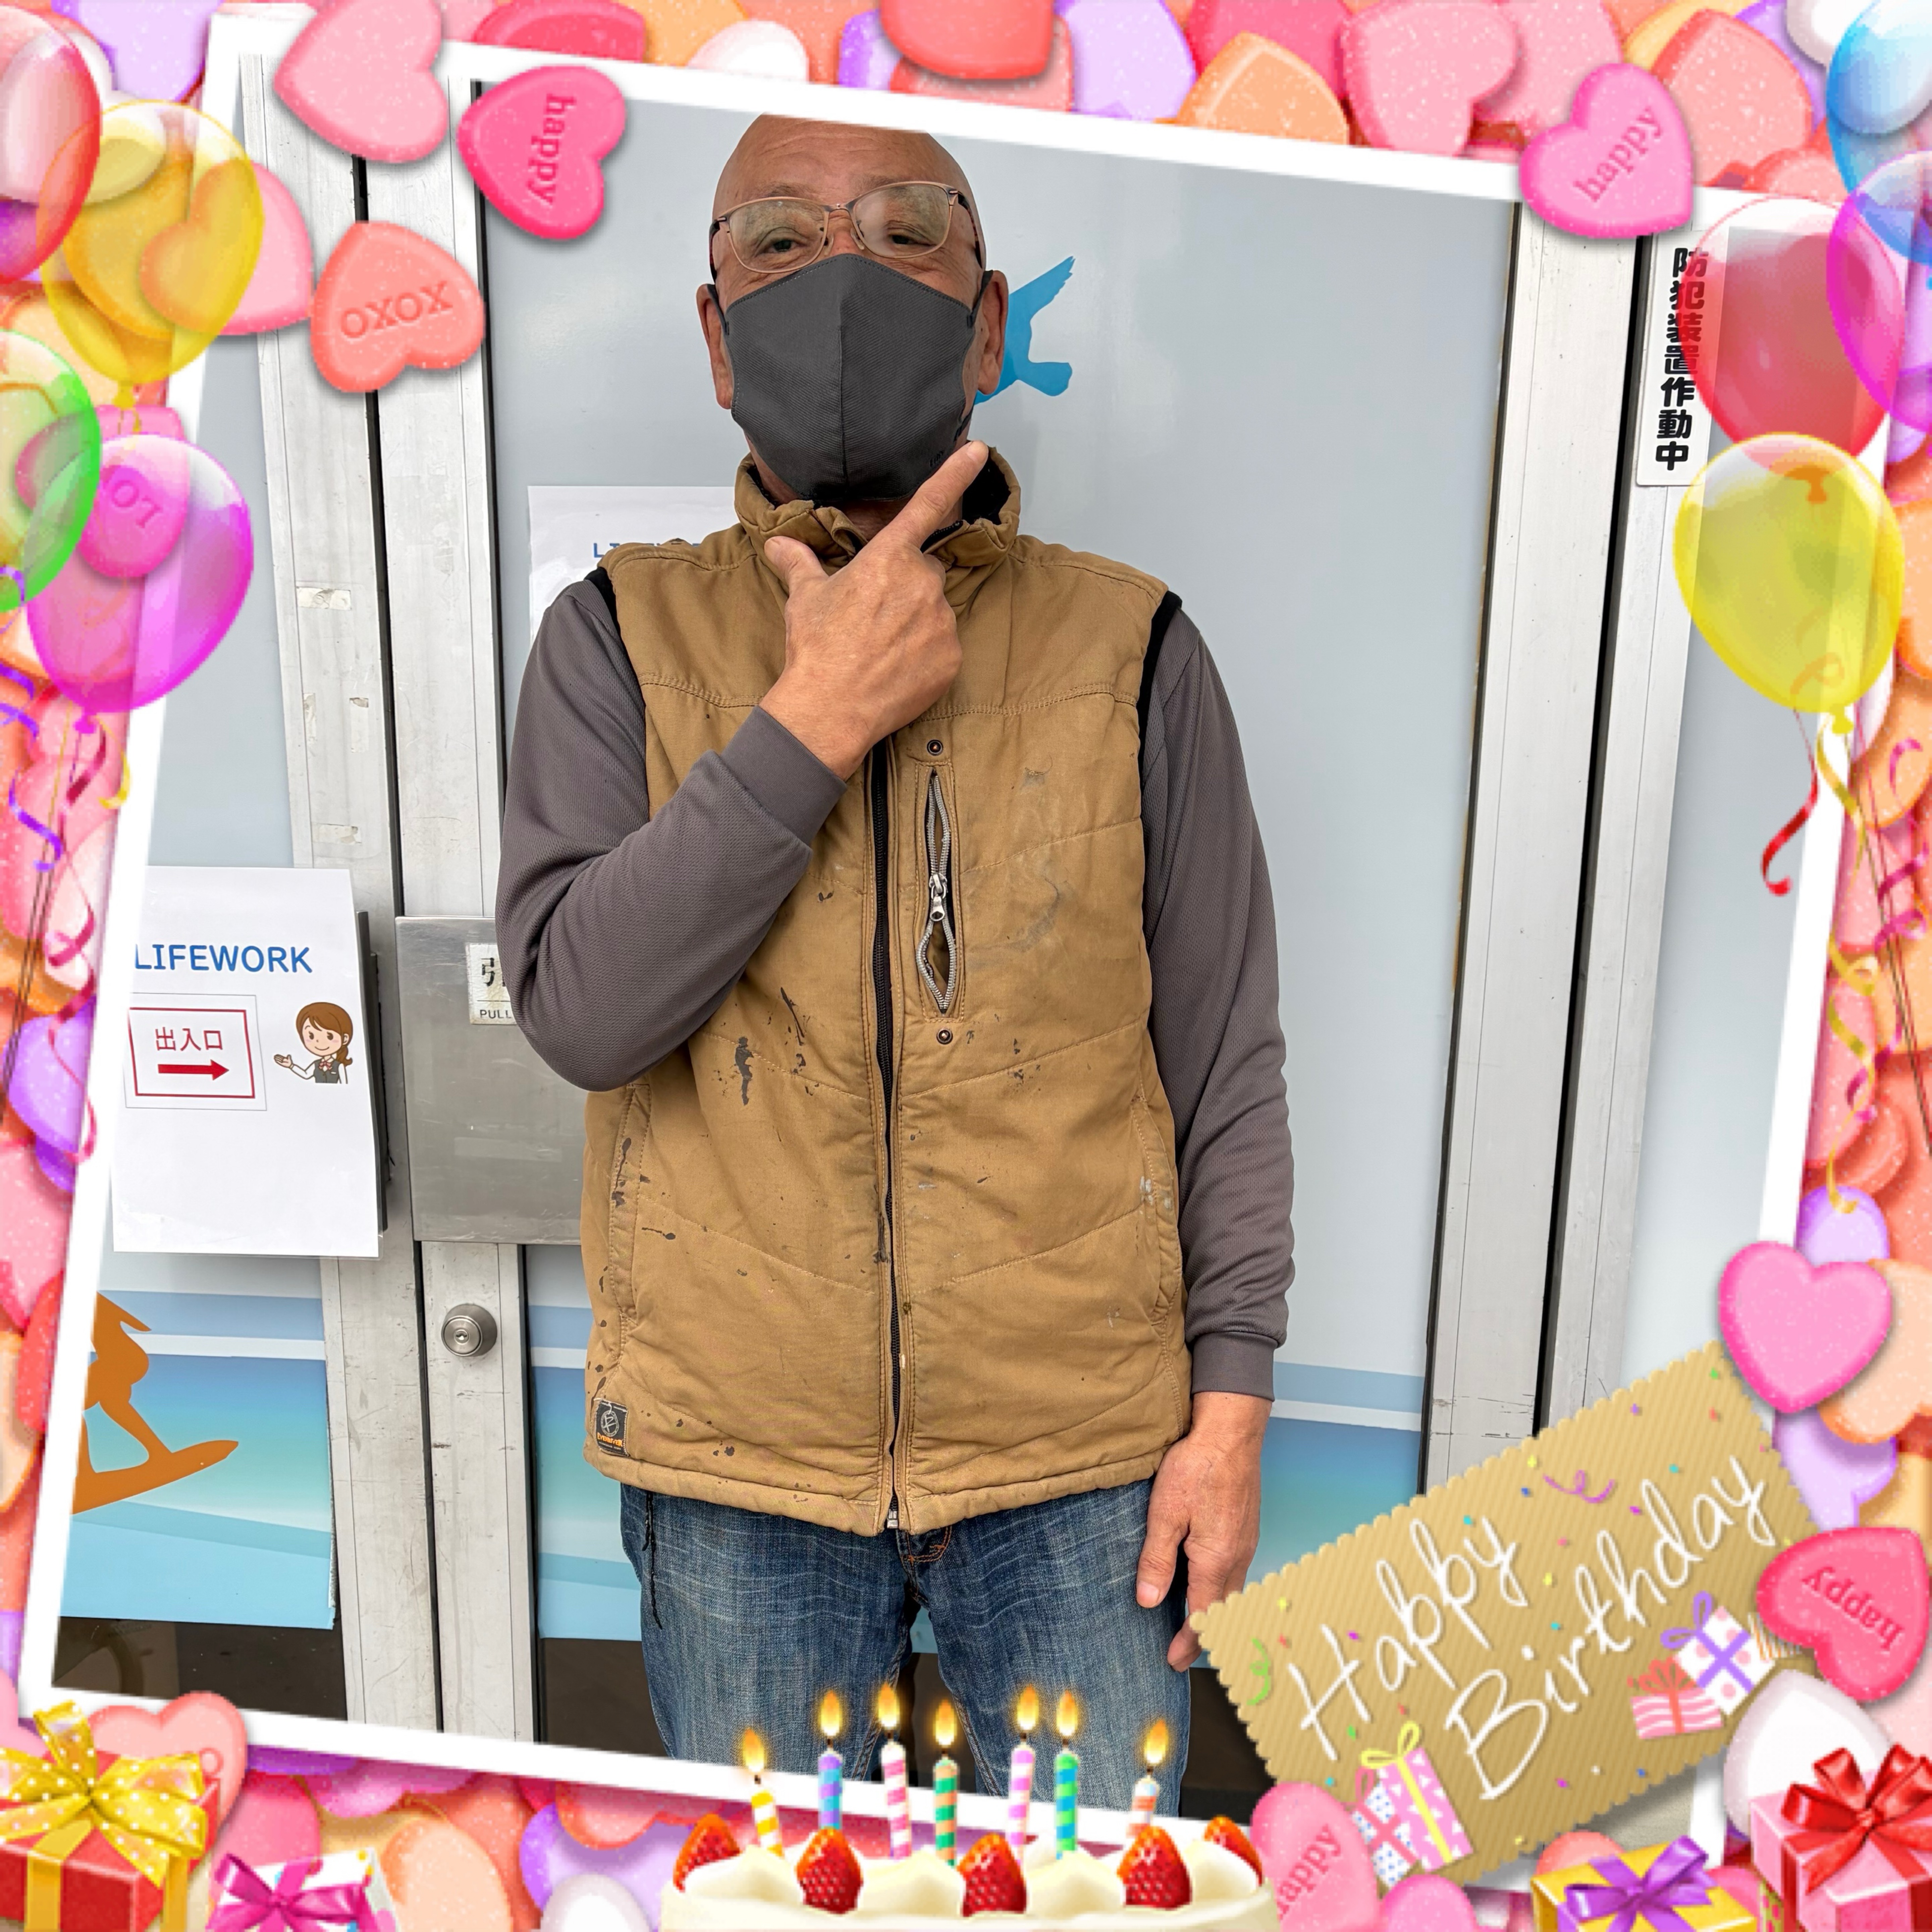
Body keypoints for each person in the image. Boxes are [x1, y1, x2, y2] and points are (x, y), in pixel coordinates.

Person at [496, 115, 1293, 1807]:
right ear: (717, 335)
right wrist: (812, 721)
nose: (842, 276)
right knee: (775, 1907)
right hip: (739, 1475)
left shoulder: (1134, 646)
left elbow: (1224, 1059)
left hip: (1083, 1466)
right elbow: (582, 1012)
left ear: (986, 319)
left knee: (1091, 1907)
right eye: (780, 240)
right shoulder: (612, 639)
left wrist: (1229, 1410)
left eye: (905, 229)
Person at [274, 1002, 354, 1084]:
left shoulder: (339, 1066)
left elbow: (345, 1085)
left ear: (345, 1039)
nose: (319, 1041)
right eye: (311, 1036)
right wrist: (291, 1066)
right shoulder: (316, 1065)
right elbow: (306, 1075)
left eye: (330, 1036)